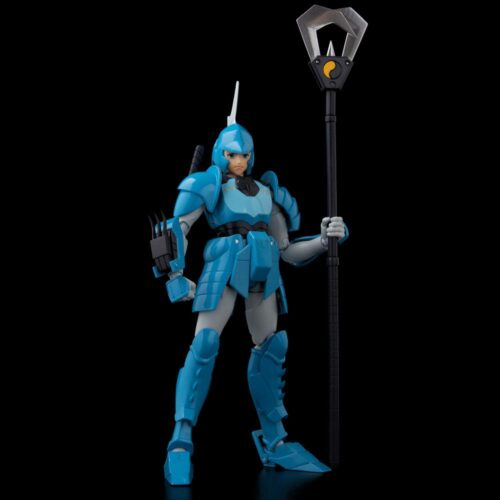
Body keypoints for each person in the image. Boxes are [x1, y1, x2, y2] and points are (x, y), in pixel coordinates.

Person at [150, 83, 348, 485]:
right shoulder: (207, 185)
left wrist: (325, 239)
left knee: (271, 349)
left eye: (243, 155)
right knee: (205, 344)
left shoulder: (267, 194)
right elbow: (175, 229)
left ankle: (275, 441)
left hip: (264, 271)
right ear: (220, 154)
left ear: (252, 156)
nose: (238, 161)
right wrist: (174, 275)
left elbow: (287, 251)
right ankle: (180, 442)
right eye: (231, 154)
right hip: (223, 270)